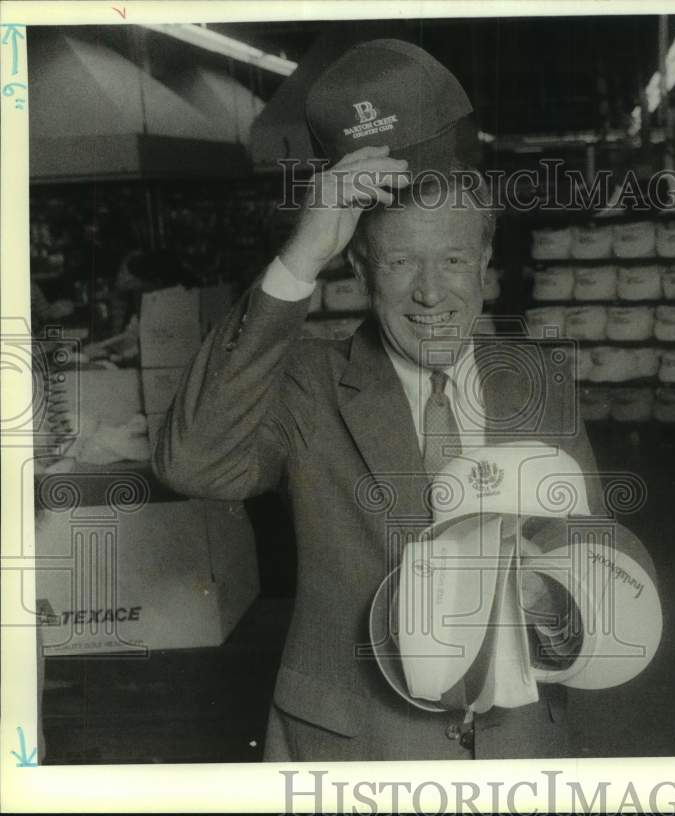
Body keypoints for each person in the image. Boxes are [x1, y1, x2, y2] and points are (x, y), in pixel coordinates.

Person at [153, 128, 606, 758]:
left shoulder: (539, 386)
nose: (429, 291)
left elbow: (594, 568)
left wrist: (553, 605)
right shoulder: (310, 385)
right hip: (357, 747)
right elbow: (192, 463)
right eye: (399, 262)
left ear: (484, 263)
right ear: (361, 270)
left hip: (517, 747)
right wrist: (301, 257)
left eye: (452, 259)